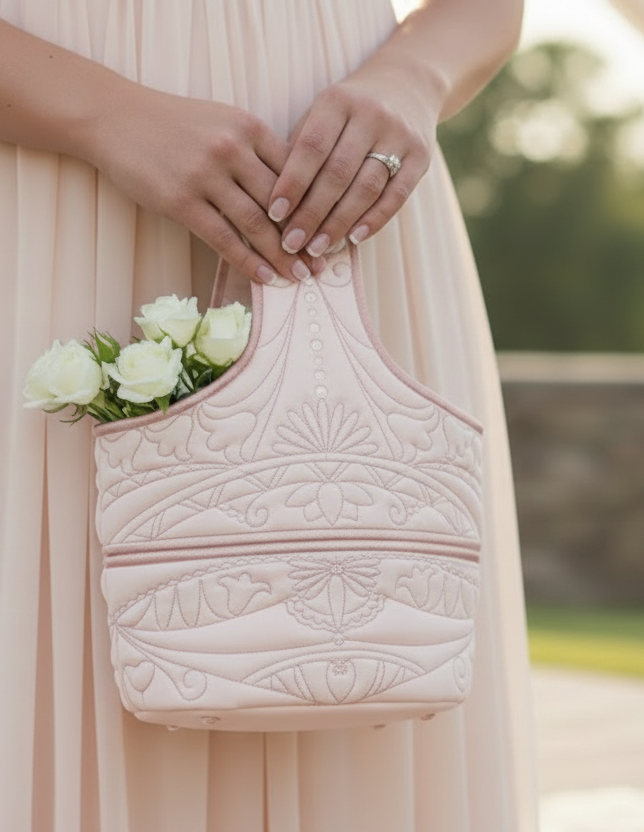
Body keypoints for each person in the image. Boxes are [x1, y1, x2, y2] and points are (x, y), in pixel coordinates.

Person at [0, 1, 538, 830]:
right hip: (43, 188)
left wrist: (413, 77)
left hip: (345, 196)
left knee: (360, 652)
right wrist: (104, 113)